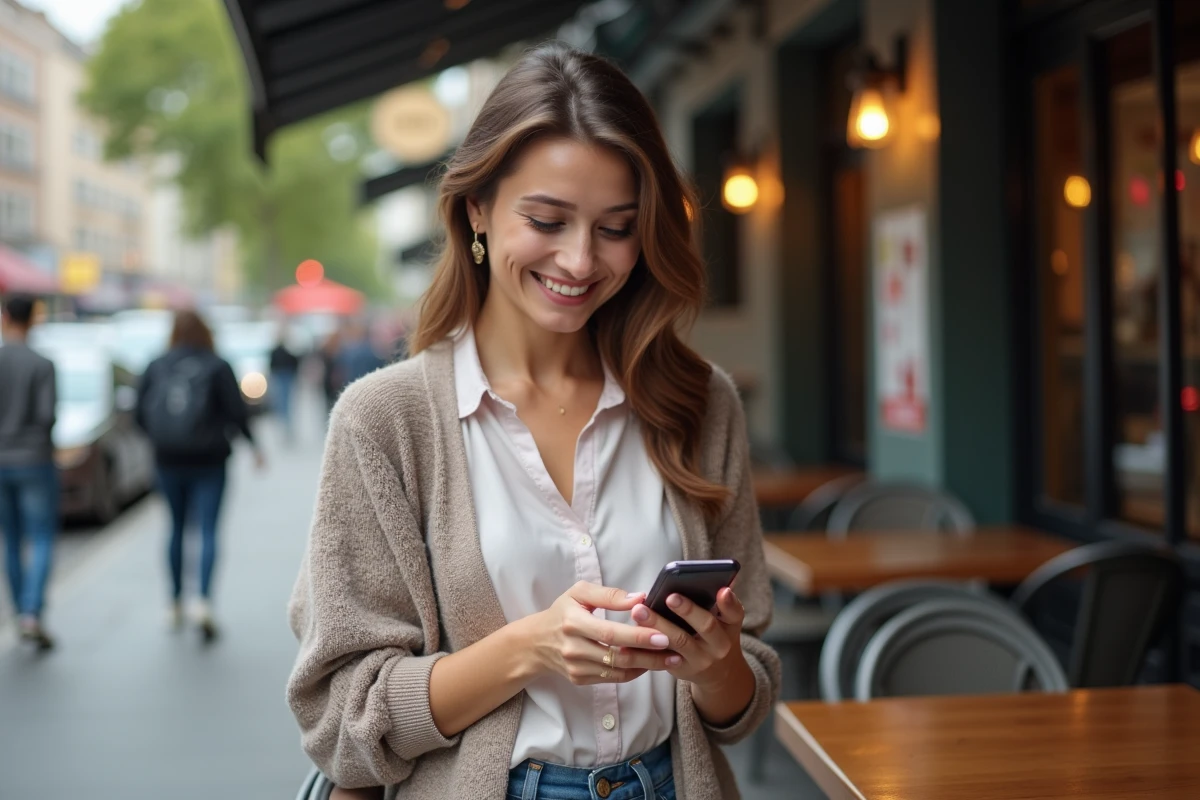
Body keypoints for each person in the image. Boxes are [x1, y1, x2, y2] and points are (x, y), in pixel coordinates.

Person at [286, 45, 780, 800]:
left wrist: (718, 668)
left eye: (617, 228)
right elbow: (341, 720)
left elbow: (740, 711)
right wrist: (529, 648)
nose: (580, 260)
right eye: (547, 220)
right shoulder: (384, 422)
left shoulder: (699, 401)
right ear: (477, 208)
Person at [135, 309, 265, 641]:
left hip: (168, 460)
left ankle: (175, 602)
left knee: (176, 529)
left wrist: (158, 441)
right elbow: (236, 412)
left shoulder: (157, 364)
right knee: (208, 530)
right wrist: (254, 447)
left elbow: (139, 414)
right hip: (209, 461)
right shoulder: (217, 364)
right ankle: (203, 601)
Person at [0, 294, 58, 650]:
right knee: (40, 538)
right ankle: (32, 612)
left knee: (11, 541)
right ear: (33, 320)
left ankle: (20, 609)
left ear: (5, 317)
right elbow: (47, 416)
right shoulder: (42, 364)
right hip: (34, 460)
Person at [269, 328, 301, 443]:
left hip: (285, 377)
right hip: (281, 377)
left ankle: (286, 425)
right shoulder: (277, 351)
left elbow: (295, 362)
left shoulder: (287, 350)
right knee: (282, 402)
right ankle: (284, 424)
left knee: (285, 402)